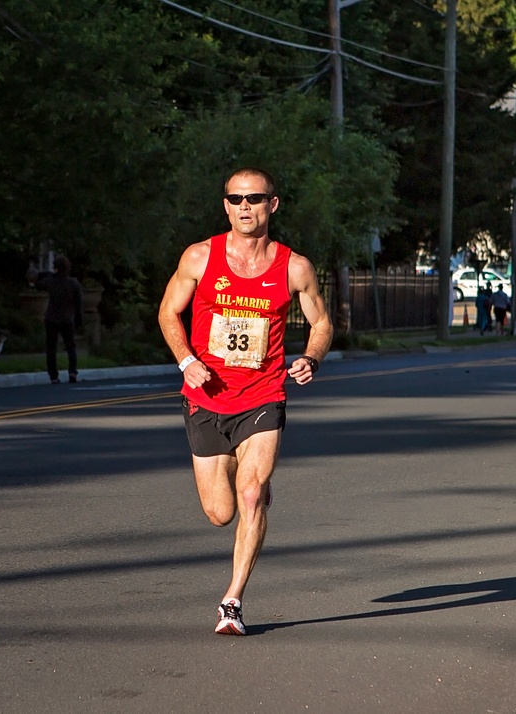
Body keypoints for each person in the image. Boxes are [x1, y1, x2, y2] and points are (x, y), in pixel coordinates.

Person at [158, 167, 333, 636]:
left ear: (272, 205)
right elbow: (167, 311)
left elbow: (321, 323)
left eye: (254, 198)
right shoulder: (199, 257)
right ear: (225, 205)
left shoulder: (294, 267)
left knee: (252, 493)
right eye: (235, 199)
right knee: (220, 513)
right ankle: (248, 487)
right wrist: (185, 360)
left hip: (263, 395)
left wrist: (311, 359)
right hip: (205, 397)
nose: (244, 207)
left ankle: (232, 600)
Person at [28, 256, 83, 383]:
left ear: (55, 267)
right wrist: (79, 321)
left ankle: (53, 376)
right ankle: (73, 372)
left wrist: (41, 275)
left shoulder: (50, 281)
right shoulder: (74, 283)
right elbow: (79, 304)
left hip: (51, 317)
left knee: (51, 348)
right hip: (67, 318)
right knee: (70, 346)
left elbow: (37, 283)